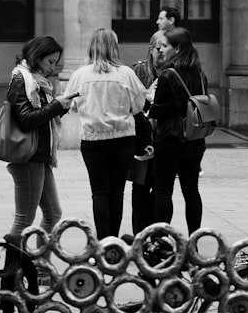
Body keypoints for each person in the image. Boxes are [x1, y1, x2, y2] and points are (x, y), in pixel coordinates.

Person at [64, 29, 146, 238]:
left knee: (99, 191)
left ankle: (102, 240)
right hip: (123, 139)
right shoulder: (126, 73)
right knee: (117, 192)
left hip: (92, 140)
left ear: (92, 46)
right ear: (114, 47)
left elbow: (70, 105)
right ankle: (113, 240)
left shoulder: (79, 75)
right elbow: (138, 106)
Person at [5, 36, 73, 243]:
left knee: (53, 215)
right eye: (50, 62)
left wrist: (60, 109)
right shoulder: (21, 79)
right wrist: (55, 107)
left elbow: (41, 118)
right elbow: (26, 119)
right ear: (37, 56)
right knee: (24, 219)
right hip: (29, 157)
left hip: (40, 156)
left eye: (55, 62)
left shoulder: (37, 81)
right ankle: (11, 272)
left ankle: (42, 271)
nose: (52, 68)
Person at [148, 26, 208, 235]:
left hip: (169, 141)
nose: (161, 49)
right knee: (191, 191)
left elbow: (159, 110)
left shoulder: (168, 75)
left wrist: (151, 105)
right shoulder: (200, 74)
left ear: (178, 48)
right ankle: (194, 239)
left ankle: (161, 239)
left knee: (163, 191)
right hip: (194, 140)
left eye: (165, 46)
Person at [128, 29, 165, 235]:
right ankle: (138, 232)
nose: (160, 52)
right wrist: (147, 95)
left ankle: (156, 232)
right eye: (157, 48)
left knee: (160, 187)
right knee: (139, 186)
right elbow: (130, 103)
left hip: (163, 136)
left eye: (164, 48)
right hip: (142, 137)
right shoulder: (138, 71)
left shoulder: (172, 71)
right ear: (150, 49)